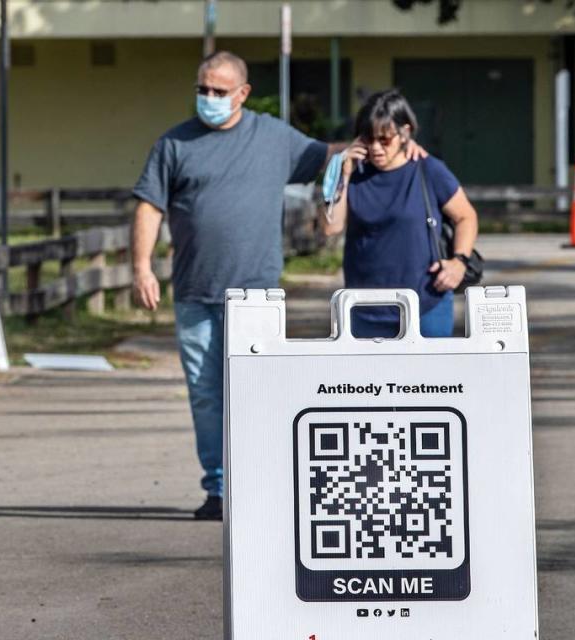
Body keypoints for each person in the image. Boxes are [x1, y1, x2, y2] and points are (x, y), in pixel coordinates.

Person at [131, 53, 425, 520]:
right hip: (195, 291)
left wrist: (395, 145)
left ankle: (261, 483)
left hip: (257, 293)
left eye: (219, 91)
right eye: (202, 89)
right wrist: (142, 267)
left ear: (242, 94)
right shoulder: (175, 144)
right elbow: (149, 206)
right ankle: (220, 490)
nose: (208, 98)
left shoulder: (271, 137)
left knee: (257, 392)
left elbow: (329, 155)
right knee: (207, 396)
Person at [321, 89, 479, 339]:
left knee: (432, 380)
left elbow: (466, 216)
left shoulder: (429, 169)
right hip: (363, 309)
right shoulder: (352, 173)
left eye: (384, 139)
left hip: (425, 305)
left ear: (405, 132)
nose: (376, 148)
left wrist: (459, 262)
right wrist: (344, 174)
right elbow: (331, 227)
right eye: (368, 138)